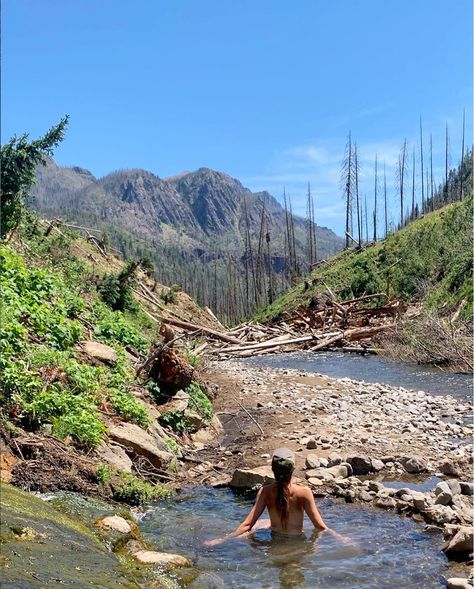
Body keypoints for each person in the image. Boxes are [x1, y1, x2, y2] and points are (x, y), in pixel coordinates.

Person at [204, 448, 350, 546]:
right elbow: (320, 527)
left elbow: (247, 525)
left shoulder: (265, 492)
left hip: (274, 544)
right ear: (292, 470)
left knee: (261, 524)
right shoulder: (304, 493)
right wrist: (342, 539)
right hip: (297, 545)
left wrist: (221, 540)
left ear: (272, 470)